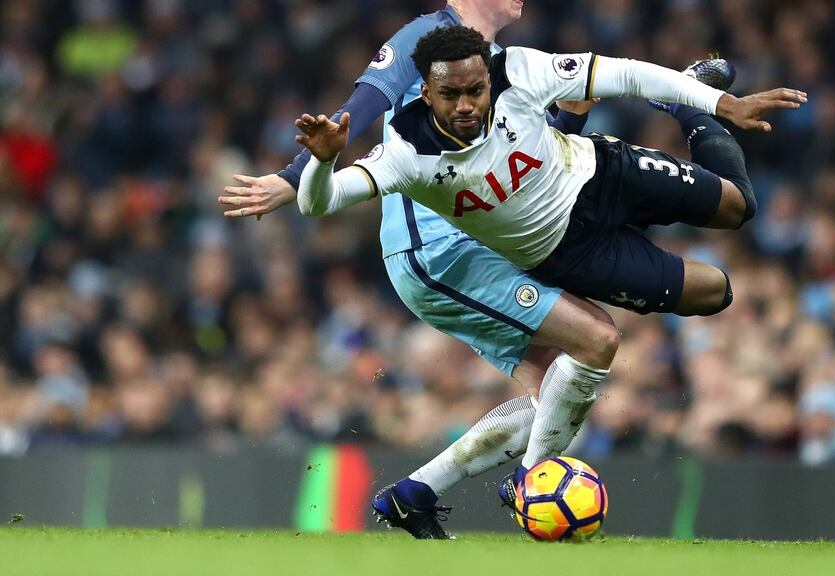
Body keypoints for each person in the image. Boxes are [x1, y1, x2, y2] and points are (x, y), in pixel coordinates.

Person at [294, 24, 804, 526]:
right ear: (426, 94)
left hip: (602, 173)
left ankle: (686, 106)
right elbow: (320, 202)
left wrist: (721, 105)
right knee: (713, 291)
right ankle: (483, 483)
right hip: (571, 254)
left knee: (738, 207)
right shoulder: (407, 153)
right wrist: (322, 161)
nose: (467, 104)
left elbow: (622, 74)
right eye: (451, 95)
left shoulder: (516, 68)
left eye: (476, 90)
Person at [220, 1, 617, 540]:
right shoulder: (429, 35)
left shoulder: (498, 62)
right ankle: (527, 486)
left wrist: (572, 114)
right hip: (436, 250)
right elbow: (366, 102)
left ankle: (415, 496)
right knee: (594, 339)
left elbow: (527, 155)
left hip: (477, 246)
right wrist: (296, 177)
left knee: (550, 390)